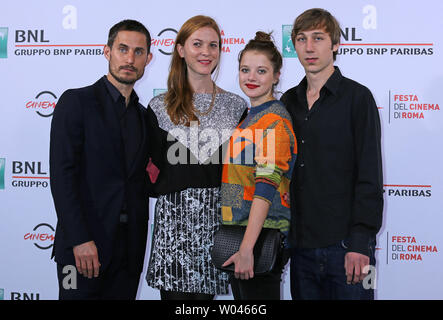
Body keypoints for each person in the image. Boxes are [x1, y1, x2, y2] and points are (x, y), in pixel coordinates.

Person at [281, 8, 383, 300]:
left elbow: (369, 175)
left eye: (318, 38)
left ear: (335, 44)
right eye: (301, 39)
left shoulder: (358, 98)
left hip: (347, 249)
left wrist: (360, 244)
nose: (309, 47)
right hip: (301, 251)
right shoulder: (288, 101)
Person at [145, 15, 247, 300]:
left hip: (218, 226)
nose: (206, 52)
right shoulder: (157, 107)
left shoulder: (236, 106)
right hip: (172, 227)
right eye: (197, 44)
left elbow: (238, 173)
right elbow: (149, 169)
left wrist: (235, 226)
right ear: (180, 49)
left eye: (213, 45)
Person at [49, 19, 153, 300]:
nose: (130, 59)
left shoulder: (145, 117)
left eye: (138, 52)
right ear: (107, 52)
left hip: (128, 250)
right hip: (82, 249)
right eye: (122, 49)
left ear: (148, 59)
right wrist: (79, 240)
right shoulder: (76, 102)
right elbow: (62, 177)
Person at [220, 32, 297, 300]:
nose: (251, 78)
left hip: (259, 239)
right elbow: (234, 179)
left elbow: (265, 188)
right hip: (239, 233)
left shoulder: (274, 121)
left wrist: (246, 248)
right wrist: (227, 220)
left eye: (261, 71)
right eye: (245, 70)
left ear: (276, 75)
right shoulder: (250, 118)